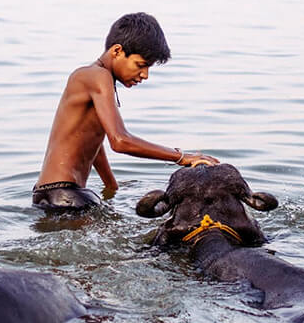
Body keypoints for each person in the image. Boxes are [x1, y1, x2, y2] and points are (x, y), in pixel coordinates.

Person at [33, 12, 218, 211]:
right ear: (117, 51)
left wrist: (111, 185)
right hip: (67, 195)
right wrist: (181, 157)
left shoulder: (93, 78)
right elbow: (120, 141)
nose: (145, 75)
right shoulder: (98, 76)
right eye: (141, 65)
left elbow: (91, 141)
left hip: (48, 193)